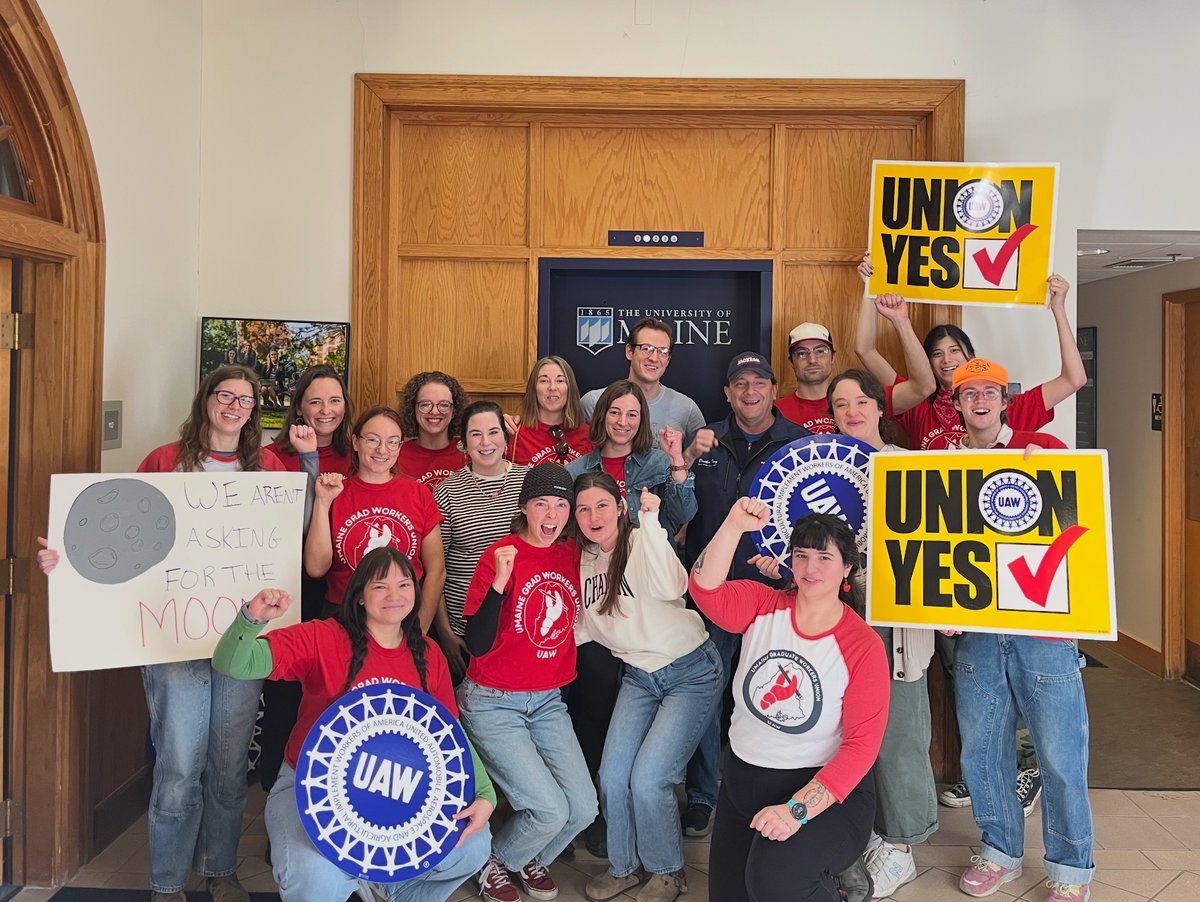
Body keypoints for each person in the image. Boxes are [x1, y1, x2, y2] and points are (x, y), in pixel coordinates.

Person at [36, 365, 285, 902]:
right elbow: (122, 541)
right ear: (206, 400)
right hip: (173, 639)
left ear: (254, 412)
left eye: (246, 399)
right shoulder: (163, 462)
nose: (235, 406)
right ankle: (168, 884)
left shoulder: (268, 467)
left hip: (241, 641)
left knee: (228, 766)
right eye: (225, 395)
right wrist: (67, 562)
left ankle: (219, 870)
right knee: (178, 768)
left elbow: (287, 545)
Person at [210, 547, 495, 902]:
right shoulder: (322, 637)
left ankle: (385, 889)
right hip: (308, 788)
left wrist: (485, 794)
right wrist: (252, 618)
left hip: (395, 794)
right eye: (380, 586)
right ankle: (354, 881)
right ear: (360, 595)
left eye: (404, 584)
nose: (394, 596)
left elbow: (450, 732)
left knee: (474, 845)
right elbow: (233, 665)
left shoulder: (429, 654)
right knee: (318, 881)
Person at [689, 501, 889, 902]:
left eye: (824, 557)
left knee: (775, 880)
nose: (810, 568)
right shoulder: (763, 606)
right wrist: (732, 524)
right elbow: (703, 588)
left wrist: (796, 810)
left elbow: (861, 747)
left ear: (847, 568)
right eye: (801, 555)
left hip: (824, 791)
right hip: (743, 781)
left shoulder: (861, 644)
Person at [947, 358, 1094, 902]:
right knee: (982, 752)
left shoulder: (1045, 449)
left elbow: (1078, 525)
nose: (980, 400)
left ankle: (1072, 868)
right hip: (976, 633)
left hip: (1045, 630)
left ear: (1004, 400)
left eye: (990, 391)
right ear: (957, 403)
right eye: (969, 393)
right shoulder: (942, 463)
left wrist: (1049, 475)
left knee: (1059, 754)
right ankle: (1000, 849)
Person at [678, 351, 810, 837]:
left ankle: (766, 790)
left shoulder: (800, 443)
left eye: (759, 382)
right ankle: (702, 795)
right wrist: (689, 456)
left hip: (778, 591)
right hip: (714, 593)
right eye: (740, 384)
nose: (750, 391)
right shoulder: (705, 441)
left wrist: (792, 570)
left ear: (775, 390)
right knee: (707, 694)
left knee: (771, 691)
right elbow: (682, 510)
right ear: (728, 392)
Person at [574, 475, 722, 902]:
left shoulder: (642, 540)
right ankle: (624, 867)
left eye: (601, 506)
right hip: (639, 676)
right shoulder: (584, 559)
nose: (593, 517)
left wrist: (653, 522)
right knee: (613, 775)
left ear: (620, 506)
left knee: (649, 778)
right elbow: (583, 628)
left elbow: (675, 586)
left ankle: (668, 872)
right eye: (583, 509)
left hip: (689, 670)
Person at [565, 380, 698, 853]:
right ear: (601, 416)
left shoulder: (656, 463)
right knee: (596, 704)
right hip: (601, 601)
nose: (623, 421)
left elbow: (682, 516)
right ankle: (599, 813)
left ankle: (657, 808)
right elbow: (568, 531)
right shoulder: (577, 468)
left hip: (646, 591)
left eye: (632, 414)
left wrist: (679, 465)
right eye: (615, 413)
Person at [459, 463, 598, 902]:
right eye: (542, 503)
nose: (552, 513)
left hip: (548, 701)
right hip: (493, 701)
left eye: (561, 504)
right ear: (524, 507)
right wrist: (500, 583)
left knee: (584, 808)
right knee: (549, 809)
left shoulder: (574, 553)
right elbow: (477, 645)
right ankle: (492, 861)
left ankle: (519, 855)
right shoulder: (501, 553)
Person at [827, 369, 936, 898]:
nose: (852, 410)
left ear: (878, 407)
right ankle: (870, 833)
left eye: (861, 401)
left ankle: (902, 846)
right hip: (839, 626)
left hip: (897, 624)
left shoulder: (907, 466)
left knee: (899, 732)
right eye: (841, 403)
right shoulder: (819, 468)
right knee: (851, 732)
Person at [856, 255, 1086, 450]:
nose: (947, 360)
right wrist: (869, 288)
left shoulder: (999, 402)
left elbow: (1073, 380)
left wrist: (1058, 308)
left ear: (971, 357)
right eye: (936, 354)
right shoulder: (916, 400)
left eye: (955, 350)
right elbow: (865, 351)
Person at [257, 365, 355, 797]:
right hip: (295, 582)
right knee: (287, 691)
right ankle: (279, 797)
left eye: (334, 400)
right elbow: (289, 525)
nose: (325, 410)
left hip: (344, 589)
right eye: (315, 401)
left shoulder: (360, 451)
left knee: (332, 689)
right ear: (299, 406)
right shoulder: (276, 457)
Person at [305, 405, 445, 632]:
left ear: (400, 447)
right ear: (355, 442)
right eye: (372, 440)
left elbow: (436, 569)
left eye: (392, 442)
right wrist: (322, 502)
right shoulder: (335, 492)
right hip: (344, 617)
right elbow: (316, 568)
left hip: (404, 616)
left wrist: (420, 627)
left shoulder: (419, 494)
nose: (382, 449)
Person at [433, 401, 530, 681]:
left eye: (493, 432)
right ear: (463, 442)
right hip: (463, 629)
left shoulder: (529, 483)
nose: (485, 442)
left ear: (506, 435)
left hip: (519, 628)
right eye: (475, 434)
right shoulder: (446, 492)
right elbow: (436, 569)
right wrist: (446, 633)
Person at [580, 316, 706, 435]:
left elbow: (701, 456)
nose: (654, 358)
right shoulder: (593, 403)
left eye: (663, 351)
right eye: (646, 348)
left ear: (668, 359)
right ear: (629, 351)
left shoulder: (687, 410)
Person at [506, 356, 593, 466]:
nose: (552, 387)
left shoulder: (589, 435)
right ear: (534, 389)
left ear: (570, 388)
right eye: (544, 381)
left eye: (560, 380)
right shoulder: (514, 432)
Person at [396, 371, 469, 488]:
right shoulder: (395, 454)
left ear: (454, 411)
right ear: (412, 409)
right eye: (425, 404)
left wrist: (500, 425)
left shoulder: (470, 450)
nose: (435, 411)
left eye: (444, 405)